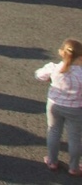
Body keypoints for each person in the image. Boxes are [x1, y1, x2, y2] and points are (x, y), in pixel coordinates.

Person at [36, 38, 82, 175]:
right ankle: (74, 167)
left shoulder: (53, 68)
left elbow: (39, 75)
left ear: (61, 52)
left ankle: (52, 160)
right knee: (74, 137)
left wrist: (49, 78)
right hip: (75, 108)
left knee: (54, 131)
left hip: (54, 105)